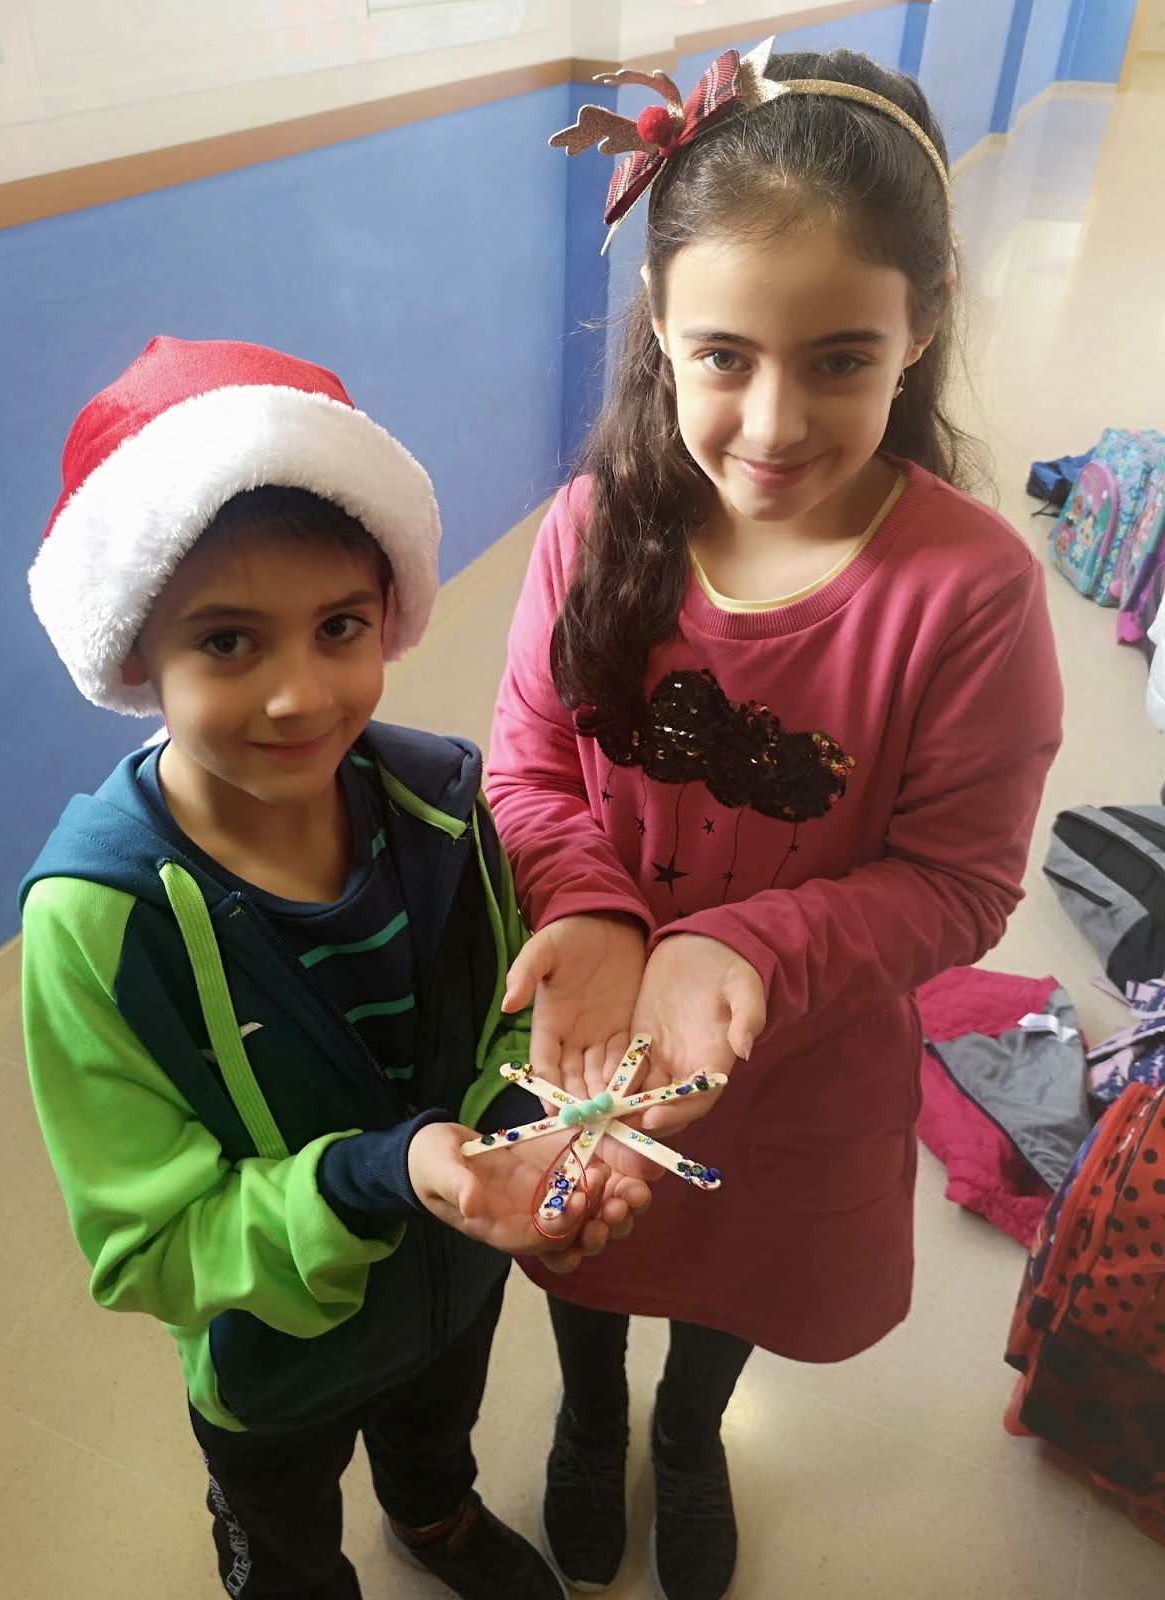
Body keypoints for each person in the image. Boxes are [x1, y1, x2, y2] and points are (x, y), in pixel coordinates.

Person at [487, 40, 1064, 1600]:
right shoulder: (590, 530)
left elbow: (957, 879)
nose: (772, 420)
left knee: (732, 1272)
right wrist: (593, 911)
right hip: (599, 1039)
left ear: (921, 328)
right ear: (659, 325)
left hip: (802, 1065)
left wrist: (743, 947)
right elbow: (528, 770)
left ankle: (688, 1434)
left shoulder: (971, 593)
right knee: (592, 1239)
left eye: (840, 360)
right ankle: (593, 1414)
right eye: (724, 356)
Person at [19, 335, 649, 1600]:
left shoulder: (441, 802)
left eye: (339, 626)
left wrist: (535, 1142)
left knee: (436, 1430)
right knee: (287, 1542)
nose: (301, 696)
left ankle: (433, 1514)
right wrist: (381, 1177)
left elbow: (499, 1036)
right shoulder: (97, 921)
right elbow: (149, 1243)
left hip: (454, 1283)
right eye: (228, 641)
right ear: (137, 651)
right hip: (273, 1365)